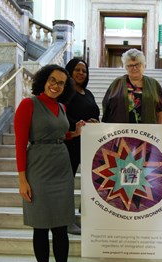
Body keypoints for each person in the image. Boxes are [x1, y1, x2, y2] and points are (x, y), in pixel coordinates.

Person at [14, 64, 85, 262]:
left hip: (62, 168)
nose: (56, 86)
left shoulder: (62, 107)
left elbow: (59, 134)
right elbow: (20, 143)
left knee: (61, 228)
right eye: (52, 80)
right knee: (41, 228)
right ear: (44, 81)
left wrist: (75, 132)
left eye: (61, 83)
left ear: (65, 87)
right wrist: (22, 179)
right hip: (38, 168)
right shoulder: (29, 104)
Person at [62, 58, 100, 235]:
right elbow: (61, 116)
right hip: (69, 143)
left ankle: (85, 215)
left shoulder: (88, 93)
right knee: (67, 183)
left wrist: (94, 122)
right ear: (69, 71)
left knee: (91, 182)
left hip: (88, 145)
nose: (80, 73)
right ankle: (67, 220)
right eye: (77, 70)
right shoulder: (63, 92)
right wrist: (78, 125)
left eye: (84, 71)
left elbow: (94, 115)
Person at [101, 48, 162, 124]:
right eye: (130, 65)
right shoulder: (117, 83)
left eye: (137, 64)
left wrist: (159, 127)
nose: (134, 68)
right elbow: (106, 104)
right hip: (120, 131)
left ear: (143, 65)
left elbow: (161, 108)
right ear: (126, 67)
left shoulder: (153, 84)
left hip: (147, 132)